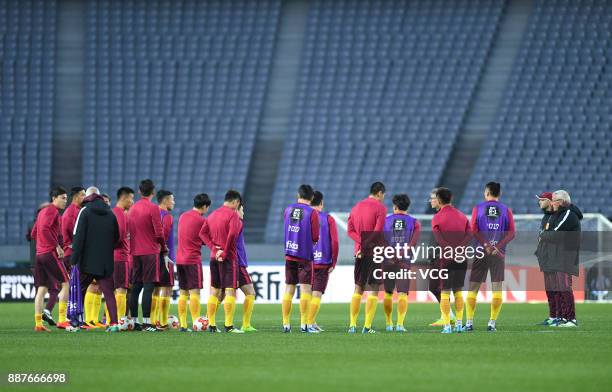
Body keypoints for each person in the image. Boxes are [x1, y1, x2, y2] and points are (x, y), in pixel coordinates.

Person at [465, 182, 515, 332]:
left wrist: (486, 245)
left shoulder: (478, 208)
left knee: (473, 287)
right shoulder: (507, 210)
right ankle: (492, 323)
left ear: (486, 193)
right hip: (498, 254)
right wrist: (497, 247)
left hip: (481, 252)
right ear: (499, 194)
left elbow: (473, 230)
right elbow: (511, 233)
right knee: (497, 288)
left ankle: (468, 323)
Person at [71, 187, 120, 332]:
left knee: (80, 291)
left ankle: (77, 323)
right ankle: (114, 324)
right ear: (99, 196)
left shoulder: (84, 211)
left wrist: (73, 260)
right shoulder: (110, 213)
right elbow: (117, 237)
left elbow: (78, 237)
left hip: (87, 261)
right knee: (109, 293)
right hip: (105, 261)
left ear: (87, 196)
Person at [537, 190, 582, 328]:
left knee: (564, 288)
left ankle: (571, 319)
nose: (552, 202)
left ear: (561, 202)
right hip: (555, 257)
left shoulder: (568, 214)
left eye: (554, 200)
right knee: (557, 288)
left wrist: (544, 234)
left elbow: (554, 235)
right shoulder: (556, 215)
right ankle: (561, 317)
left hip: (565, 257)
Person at [347, 181, 386, 334]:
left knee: (358, 288)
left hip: (359, 253)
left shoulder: (356, 207)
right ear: (380, 193)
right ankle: (367, 326)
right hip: (374, 252)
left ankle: (352, 325)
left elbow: (350, 231)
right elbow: (376, 232)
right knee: (374, 289)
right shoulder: (381, 208)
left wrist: (361, 244)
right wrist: (366, 244)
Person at [430, 187, 471, 334]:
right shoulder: (462, 216)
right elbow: (469, 234)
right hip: (461, 257)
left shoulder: (437, 218)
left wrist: (450, 250)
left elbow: (439, 239)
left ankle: (447, 325)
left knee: (445, 292)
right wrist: (459, 248)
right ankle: (459, 323)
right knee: (458, 291)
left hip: (446, 258)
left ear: (439, 200)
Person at [129, 179, 167, 332]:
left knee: (136, 287)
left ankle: (135, 321)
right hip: (150, 252)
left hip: (135, 252)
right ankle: (147, 323)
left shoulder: (132, 208)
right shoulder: (153, 208)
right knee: (148, 287)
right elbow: (159, 232)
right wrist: (163, 247)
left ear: (139, 192)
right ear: (153, 192)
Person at [281, 184, 319, 333]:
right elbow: (315, 236)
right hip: (304, 255)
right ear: (312, 197)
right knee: (305, 289)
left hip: (289, 253)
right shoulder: (312, 212)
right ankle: (304, 325)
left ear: (298, 195)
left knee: (289, 288)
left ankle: (286, 324)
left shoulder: (288, 209)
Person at [32, 187, 69, 332]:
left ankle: (38, 323)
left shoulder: (42, 212)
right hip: (49, 253)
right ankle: (61, 320)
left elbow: (35, 233)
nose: (65, 201)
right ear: (54, 198)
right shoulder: (52, 211)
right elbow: (45, 229)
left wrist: (42, 245)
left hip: (40, 254)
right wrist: (57, 247)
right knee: (66, 283)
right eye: (63, 198)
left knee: (42, 289)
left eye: (66, 198)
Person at [382, 194, 420, 332]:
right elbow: (413, 243)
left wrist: (391, 253)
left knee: (388, 293)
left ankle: (388, 324)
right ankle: (400, 324)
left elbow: (382, 241)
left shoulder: (385, 221)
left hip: (388, 260)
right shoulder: (415, 222)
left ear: (395, 206)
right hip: (404, 261)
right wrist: (401, 253)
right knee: (403, 293)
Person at [207, 190, 244, 333]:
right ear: (235, 202)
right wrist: (225, 252)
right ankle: (228, 326)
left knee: (215, 291)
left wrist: (214, 250)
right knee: (230, 291)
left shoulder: (212, 215)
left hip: (213, 257)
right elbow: (232, 235)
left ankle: (212, 325)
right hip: (228, 258)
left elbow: (202, 233)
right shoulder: (233, 215)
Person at [176, 194, 214, 332]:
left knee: (183, 293)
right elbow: (206, 238)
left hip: (179, 259)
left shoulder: (182, 216)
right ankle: (196, 323)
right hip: (192, 259)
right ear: (204, 206)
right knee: (194, 293)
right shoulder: (201, 220)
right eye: (207, 207)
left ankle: (183, 325)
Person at [307, 191, 339, 333]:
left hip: (306, 261)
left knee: (308, 293)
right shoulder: (328, 219)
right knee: (317, 294)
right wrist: (334, 261)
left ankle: (310, 322)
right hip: (323, 261)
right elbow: (335, 242)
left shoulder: (305, 216)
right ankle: (309, 324)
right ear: (321, 203)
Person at [151, 190, 175, 329]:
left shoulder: (153, 213)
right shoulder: (166, 216)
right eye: (172, 199)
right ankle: (163, 322)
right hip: (165, 257)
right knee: (166, 288)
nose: (173, 202)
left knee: (155, 288)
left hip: (153, 256)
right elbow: (163, 236)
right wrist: (165, 253)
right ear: (165, 200)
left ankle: (153, 321)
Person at [112, 187, 135, 323]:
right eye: (131, 198)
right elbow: (120, 236)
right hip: (120, 257)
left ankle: (112, 320)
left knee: (115, 291)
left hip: (115, 256)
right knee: (121, 290)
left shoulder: (114, 212)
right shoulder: (120, 214)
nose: (132, 201)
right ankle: (120, 321)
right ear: (125, 198)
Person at [235, 203, 257, 332]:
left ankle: (209, 321)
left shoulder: (231, 222)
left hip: (234, 263)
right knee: (251, 292)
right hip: (237, 263)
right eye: (242, 210)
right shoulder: (237, 222)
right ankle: (246, 324)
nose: (244, 213)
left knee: (220, 295)